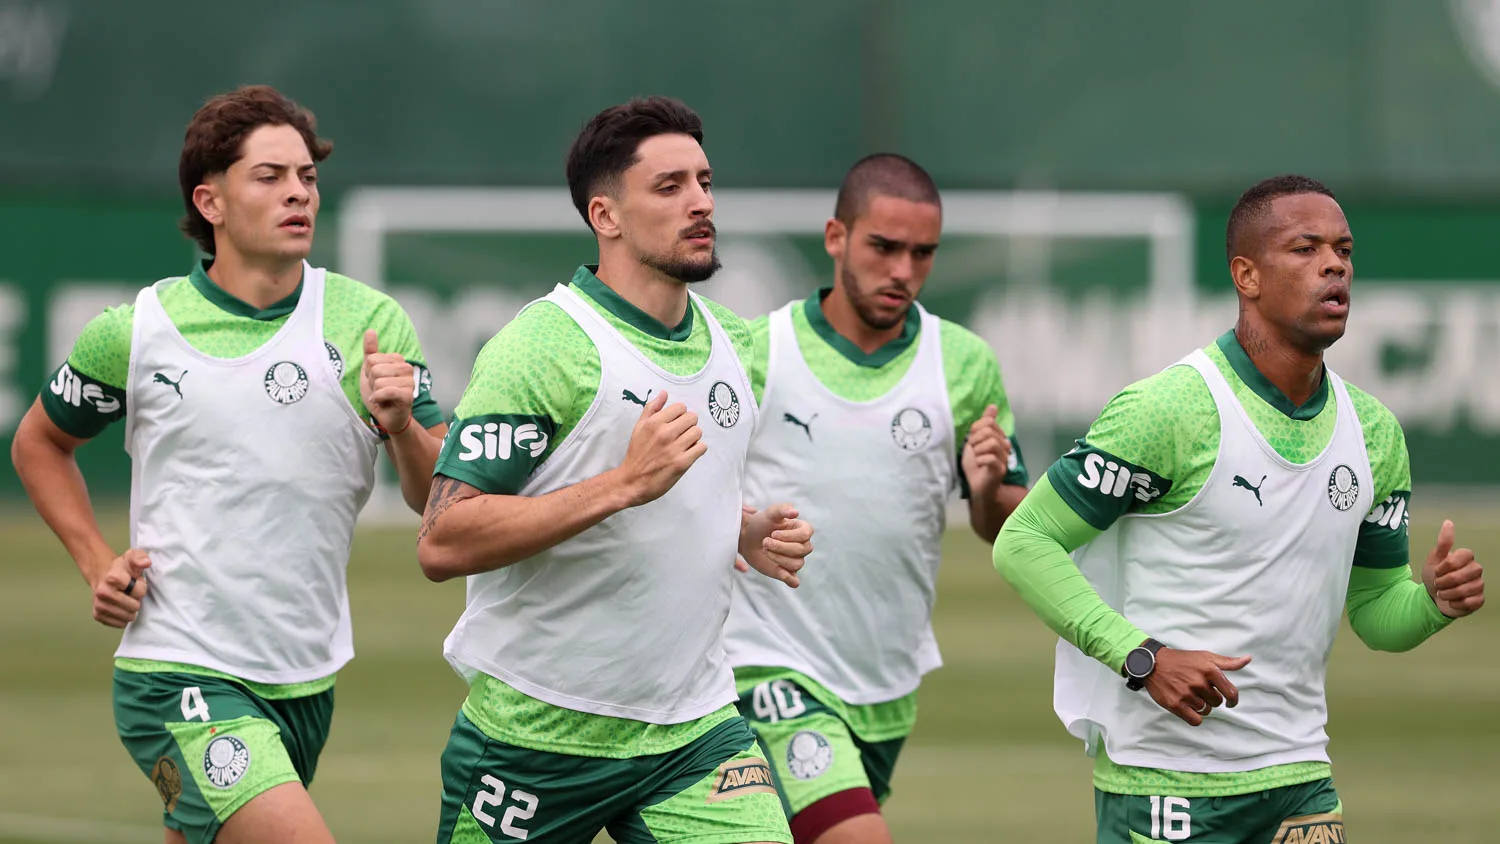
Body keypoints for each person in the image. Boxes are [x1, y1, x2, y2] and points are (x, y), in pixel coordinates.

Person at [10, 85, 448, 844]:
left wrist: (404, 427)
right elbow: (39, 442)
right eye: (269, 176)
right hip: (177, 669)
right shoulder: (136, 331)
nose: (297, 193)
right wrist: (94, 561)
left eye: (307, 177)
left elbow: (435, 497)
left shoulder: (371, 323)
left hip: (304, 677)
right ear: (209, 201)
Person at [992, 174, 1485, 843]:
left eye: (1344, 250)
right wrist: (1143, 658)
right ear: (1246, 275)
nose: (1334, 265)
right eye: (1305, 249)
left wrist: (1432, 603)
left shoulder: (1375, 434)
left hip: (1300, 777)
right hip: (1164, 780)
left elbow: (1375, 614)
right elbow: (1023, 542)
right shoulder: (1168, 411)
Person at [417, 96, 813, 844]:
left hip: (694, 732)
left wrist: (744, 530)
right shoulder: (545, 345)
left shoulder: (736, 345)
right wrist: (623, 484)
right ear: (607, 216)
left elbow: (683, 503)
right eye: (669, 187)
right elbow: (444, 538)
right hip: (536, 737)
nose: (700, 202)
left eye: (704, 180)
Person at [722, 153, 1029, 844]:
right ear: (837, 238)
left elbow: (1007, 521)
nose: (903, 271)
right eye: (883, 248)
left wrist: (984, 492)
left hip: (885, 678)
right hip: (770, 662)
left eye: (922, 254)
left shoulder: (965, 362)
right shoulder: (758, 350)